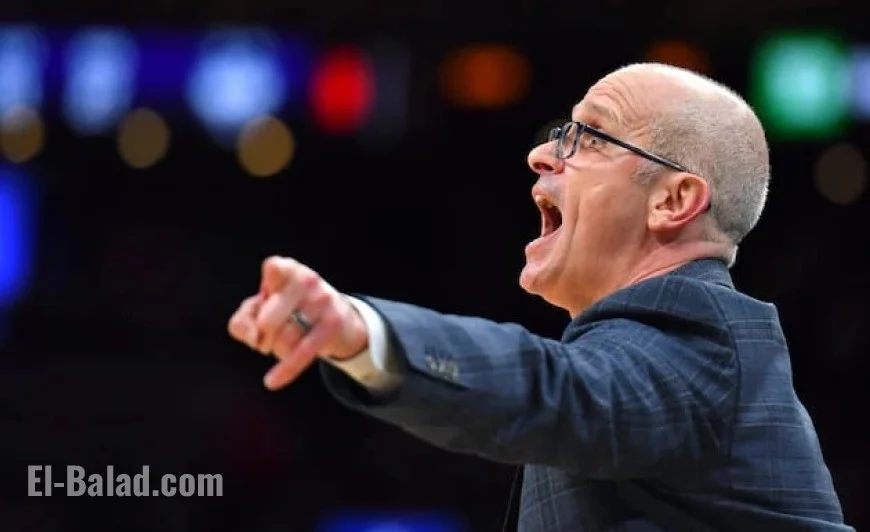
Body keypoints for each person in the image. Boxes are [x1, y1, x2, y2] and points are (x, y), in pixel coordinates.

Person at [228, 63, 853, 531]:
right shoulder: (660, 352)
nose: (540, 154)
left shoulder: (703, 345)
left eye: (592, 137)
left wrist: (365, 331)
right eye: (562, 132)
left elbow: (549, 388)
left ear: (671, 201)